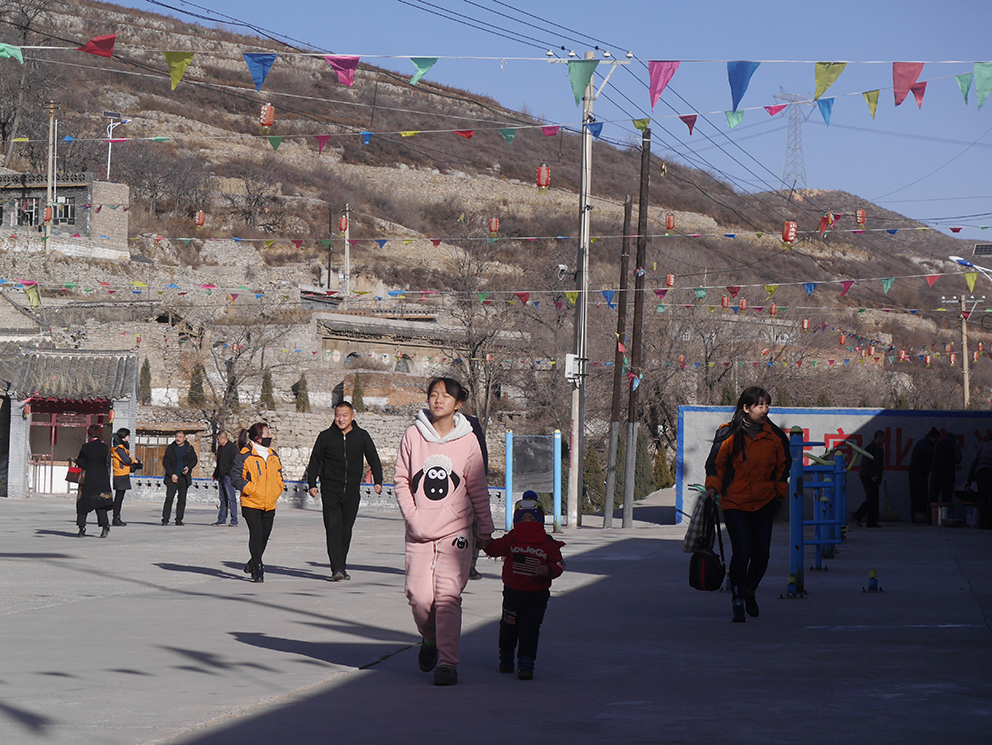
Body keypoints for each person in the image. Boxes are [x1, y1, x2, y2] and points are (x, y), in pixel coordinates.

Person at [394, 376, 495, 686]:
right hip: (419, 529)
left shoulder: (468, 440)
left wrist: (486, 531)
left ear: (458, 403)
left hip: (456, 531)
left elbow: (477, 486)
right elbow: (400, 479)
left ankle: (448, 663)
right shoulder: (413, 435)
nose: (438, 400)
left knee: (448, 598)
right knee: (419, 597)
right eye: (433, 394)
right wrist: (412, 515)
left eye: (445, 396)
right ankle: (430, 639)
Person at [705, 387, 791, 624]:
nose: (765, 410)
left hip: (764, 502)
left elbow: (784, 466)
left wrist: (778, 492)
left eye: (767, 405)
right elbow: (715, 465)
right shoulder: (727, 433)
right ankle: (736, 598)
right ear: (746, 408)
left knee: (761, 554)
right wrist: (713, 487)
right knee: (742, 550)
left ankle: (750, 590)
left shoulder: (775, 436)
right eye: (760, 405)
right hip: (735, 502)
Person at [483, 492, 565, 680]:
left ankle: (526, 662)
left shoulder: (548, 543)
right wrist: (485, 543)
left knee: (530, 629)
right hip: (513, 593)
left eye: (532, 519)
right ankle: (506, 656)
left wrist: (550, 570)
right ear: (516, 521)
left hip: (537, 596)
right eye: (523, 519)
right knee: (508, 627)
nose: (527, 522)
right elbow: (496, 548)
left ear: (540, 521)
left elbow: (559, 563)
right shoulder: (511, 538)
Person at [306, 401, 383, 581]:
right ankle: (337, 568)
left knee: (346, 529)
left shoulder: (362, 436)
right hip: (330, 490)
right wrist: (312, 483)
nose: (341, 419)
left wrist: (378, 480)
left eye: (344, 415)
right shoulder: (325, 437)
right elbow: (315, 461)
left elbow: (373, 458)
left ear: (352, 417)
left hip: (352, 491)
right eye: (338, 415)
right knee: (333, 528)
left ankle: (342, 564)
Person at [232, 423, 284, 583]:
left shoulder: (273, 454)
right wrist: (252, 489)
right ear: (257, 438)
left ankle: (252, 561)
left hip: (269, 503)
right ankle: (258, 568)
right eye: (267, 434)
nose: (270, 436)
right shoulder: (245, 454)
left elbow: (279, 476)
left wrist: (278, 488)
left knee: (264, 537)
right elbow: (236, 477)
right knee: (256, 534)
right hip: (251, 503)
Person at [464, 412, 490, 581]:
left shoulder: (471, 423)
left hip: (469, 485)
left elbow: (482, 457)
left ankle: (470, 565)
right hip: (442, 488)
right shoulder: (431, 423)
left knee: (473, 527)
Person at [76, 424, 113, 538]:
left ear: (89, 434)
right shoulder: (105, 447)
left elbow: (81, 463)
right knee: (100, 504)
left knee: (83, 504)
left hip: (88, 478)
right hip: (102, 478)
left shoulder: (85, 447)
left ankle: (82, 529)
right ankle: (105, 526)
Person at [162, 430, 197, 526]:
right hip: (172, 477)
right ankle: (165, 519)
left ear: (184, 439)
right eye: (177, 436)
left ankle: (179, 519)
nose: (178, 439)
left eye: (180, 437)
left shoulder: (189, 448)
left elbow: (194, 460)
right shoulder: (170, 448)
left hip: (184, 478)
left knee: (182, 499)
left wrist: (188, 467)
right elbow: (166, 462)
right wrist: (172, 474)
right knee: (169, 498)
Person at [851, 430, 886, 528]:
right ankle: (857, 516)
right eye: (884, 438)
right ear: (879, 437)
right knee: (871, 499)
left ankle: (871, 522)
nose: (885, 440)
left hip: (874, 477)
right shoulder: (870, 448)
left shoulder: (878, 448)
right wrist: (872, 475)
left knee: (875, 500)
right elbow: (866, 463)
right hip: (868, 477)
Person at [111, 428, 141, 527]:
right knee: (118, 498)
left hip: (123, 474)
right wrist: (134, 461)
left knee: (120, 498)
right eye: (128, 435)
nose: (129, 437)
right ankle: (116, 518)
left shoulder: (122, 447)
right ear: (124, 437)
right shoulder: (119, 448)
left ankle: (116, 517)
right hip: (120, 475)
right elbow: (126, 460)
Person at [909, 427, 939, 524]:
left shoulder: (921, 443)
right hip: (920, 473)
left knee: (914, 495)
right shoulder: (927, 447)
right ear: (933, 438)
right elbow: (927, 463)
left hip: (913, 471)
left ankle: (914, 516)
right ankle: (920, 516)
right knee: (922, 495)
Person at [963, 434, 992, 530]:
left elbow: (975, 462)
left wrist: (969, 480)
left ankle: (983, 524)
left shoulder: (983, 447)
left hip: (981, 472)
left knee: (983, 499)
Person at [212, 430, 239, 527]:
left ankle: (234, 520)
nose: (218, 441)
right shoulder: (220, 448)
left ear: (224, 438)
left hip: (228, 477)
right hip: (221, 476)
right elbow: (219, 463)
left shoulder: (232, 448)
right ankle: (221, 520)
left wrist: (229, 474)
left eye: (219, 439)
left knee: (231, 499)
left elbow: (234, 463)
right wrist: (215, 474)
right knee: (223, 499)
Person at [930, 431, 961, 512]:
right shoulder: (955, 444)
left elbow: (933, 457)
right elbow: (958, 459)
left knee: (933, 496)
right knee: (946, 497)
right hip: (948, 473)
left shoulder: (939, 443)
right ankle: (944, 517)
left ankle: (931, 518)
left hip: (936, 472)